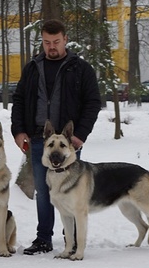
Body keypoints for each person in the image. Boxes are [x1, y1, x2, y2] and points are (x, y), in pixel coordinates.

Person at [10, 19, 101, 255]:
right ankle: (43, 238)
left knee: (70, 190)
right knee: (44, 190)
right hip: (41, 140)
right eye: (47, 42)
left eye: (56, 42)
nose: (51, 46)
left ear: (65, 40)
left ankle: (70, 238)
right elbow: (19, 100)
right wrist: (19, 130)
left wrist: (80, 134)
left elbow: (93, 103)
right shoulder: (32, 68)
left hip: (69, 142)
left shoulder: (80, 68)